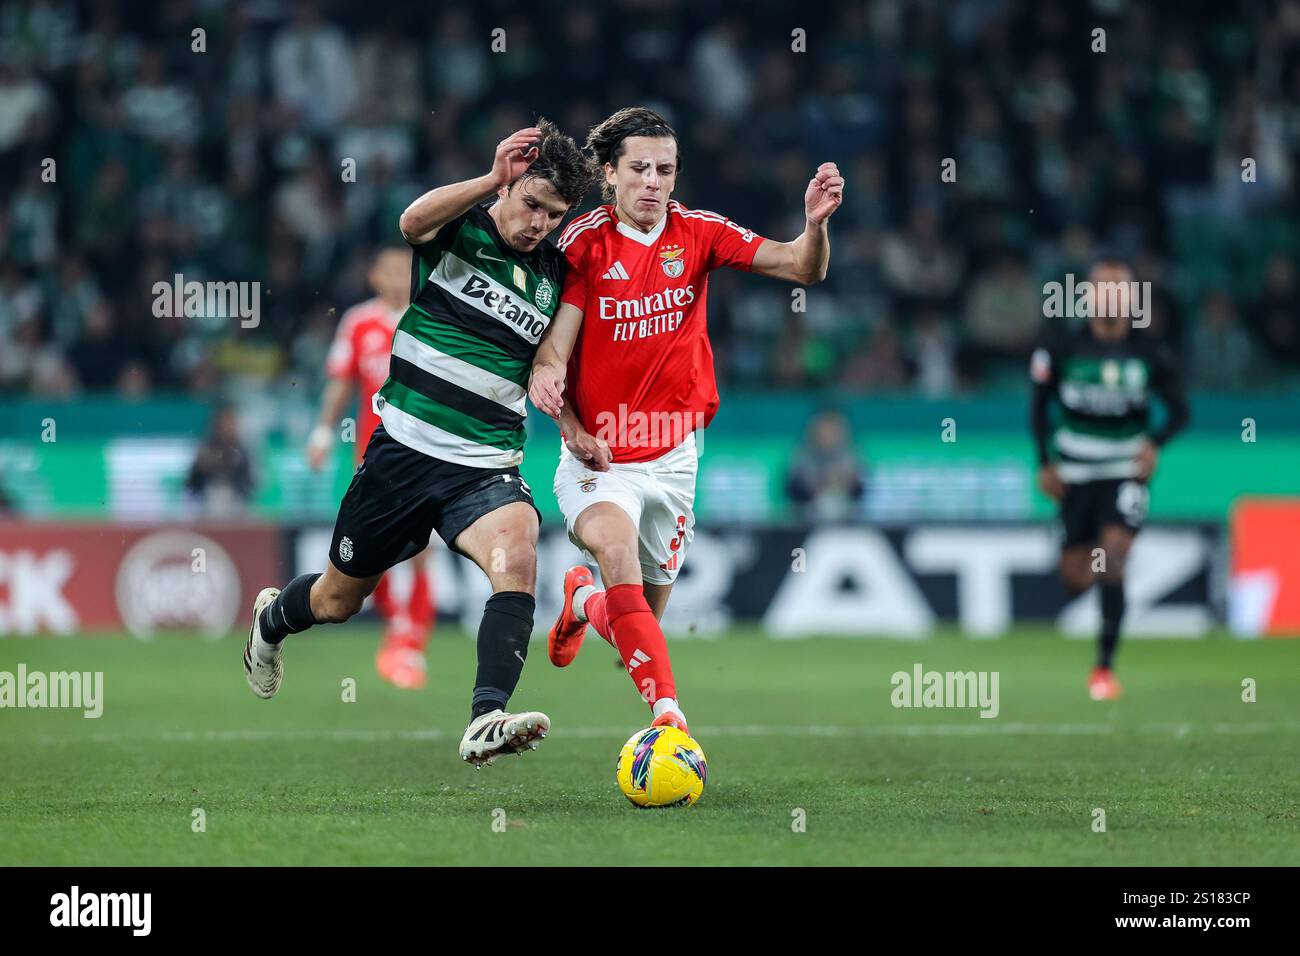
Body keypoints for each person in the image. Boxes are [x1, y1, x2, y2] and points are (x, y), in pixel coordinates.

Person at [244, 121, 597, 767]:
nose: (539, 223)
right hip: (403, 453)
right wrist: (491, 179)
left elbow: (550, 359)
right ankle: (272, 622)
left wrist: (567, 416)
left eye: (554, 215)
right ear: (511, 187)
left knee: (517, 557)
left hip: (485, 462)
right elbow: (410, 223)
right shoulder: (464, 228)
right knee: (337, 600)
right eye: (531, 204)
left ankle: (486, 717)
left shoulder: (555, 274)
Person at [529, 106, 844, 735]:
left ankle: (583, 601)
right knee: (614, 551)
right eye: (639, 168)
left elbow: (802, 268)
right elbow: (549, 350)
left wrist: (813, 226)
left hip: (674, 459)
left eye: (665, 170)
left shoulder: (698, 233)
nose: (653, 181)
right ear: (609, 176)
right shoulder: (580, 245)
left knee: (631, 641)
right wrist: (569, 425)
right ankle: (669, 720)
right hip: (603, 456)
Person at [1030, 257, 1189, 700]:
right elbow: (1038, 408)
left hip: (1124, 474)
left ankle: (1103, 667)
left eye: (1120, 288)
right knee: (1075, 576)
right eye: (1103, 287)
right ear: (1086, 296)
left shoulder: (1150, 351)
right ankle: (1102, 586)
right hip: (1075, 476)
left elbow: (1181, 411)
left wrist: (1155, 443)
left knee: (1112, 556)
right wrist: (1044, 462)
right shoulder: (1061, 346)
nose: (1111, 295)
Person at [309, 247, 436, 690]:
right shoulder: (358, 322)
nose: (399, 277)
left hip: (424, 450)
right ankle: (396, 626)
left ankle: (410, 642)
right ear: (373, 275)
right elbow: (342, 381)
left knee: (421, 551)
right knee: (369, 553)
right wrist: (323, 433)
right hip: (370, 455)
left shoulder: (430, 313)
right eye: (390, 269)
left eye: (405, 269)